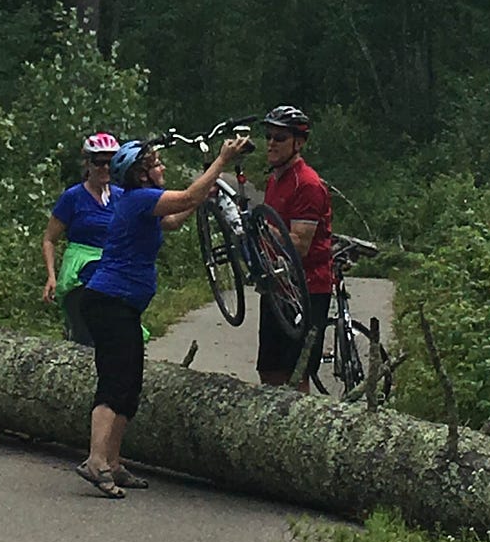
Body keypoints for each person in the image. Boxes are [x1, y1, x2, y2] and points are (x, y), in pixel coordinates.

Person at [74, 133, 251, 498]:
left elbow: (172, 219)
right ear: (141, 175)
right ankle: (95, 460)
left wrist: (202, 199)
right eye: (155, 164)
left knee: (130, 385)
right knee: (114, 382)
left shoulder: (142, 203)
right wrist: (220, 163)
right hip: (109, 302)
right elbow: (185, 197)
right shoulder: (139, 199)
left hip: (121, 304)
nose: (161, 167)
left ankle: (113, 461)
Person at [255, 104, 333, 391]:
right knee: (270, 371)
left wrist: (259, 229)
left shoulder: (308, 184)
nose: (271, 143)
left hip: (306, 289)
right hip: (278, 287)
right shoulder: (275, 179)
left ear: (298, 143)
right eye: (269, 136)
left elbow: (298, 245)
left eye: (280, 138)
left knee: (295, 374)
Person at [41, 132, 120, 345]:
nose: (104, 168)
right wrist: (51, 276)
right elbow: (49, 239)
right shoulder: (73, 197)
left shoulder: (121, 196)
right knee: (87, 338)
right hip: (81, 276)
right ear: (88, 164)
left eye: (110, 162)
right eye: (98, 162)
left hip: (113, 273)